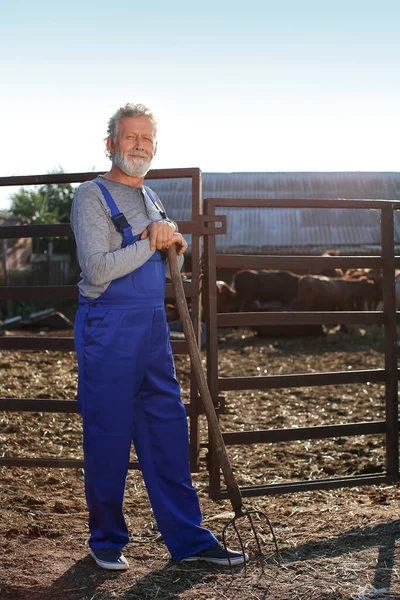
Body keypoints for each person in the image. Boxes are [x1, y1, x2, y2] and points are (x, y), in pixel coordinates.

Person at [71, 103, 248, 571]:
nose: (140, 145)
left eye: (147, 138)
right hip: (107, 324)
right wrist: (150, 239)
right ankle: (106, 539)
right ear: (111, 144)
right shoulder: (91, 196)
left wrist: (175, 246)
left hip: (152, 324)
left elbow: (168, 264)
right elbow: (98, 269)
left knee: (167, 429)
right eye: (130, 137)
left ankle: (189, 539)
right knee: (108, 433)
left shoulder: (152, 197)